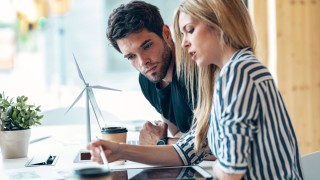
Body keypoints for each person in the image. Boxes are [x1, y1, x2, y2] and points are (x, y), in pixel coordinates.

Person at [173, 0, 303, 179]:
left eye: (190, 30)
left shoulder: (238, 72)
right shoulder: (238, 70)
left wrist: (218, 166)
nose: (184, 43)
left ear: (218, 22)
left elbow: (230, 173)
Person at [106, 0, 197, 145]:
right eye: (131, 56)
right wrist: (165, 141)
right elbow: (180, 133)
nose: (143, 62)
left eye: (147, 46)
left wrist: (161, 142)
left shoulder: (195, 68)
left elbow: (217, 144)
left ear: (166, 34)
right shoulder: (147, 79)